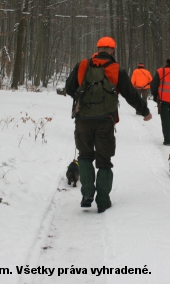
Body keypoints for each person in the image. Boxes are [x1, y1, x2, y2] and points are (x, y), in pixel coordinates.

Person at [65, 37, 152, 213]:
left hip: (83, 120)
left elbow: (68, 88)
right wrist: (145, 111)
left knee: (85, 156)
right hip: (106, 120)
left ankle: (87, 193)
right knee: (104, 161)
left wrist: (83, 100)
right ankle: (103, 201)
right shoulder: (116, 69)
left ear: (97, 49)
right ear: (112, 51)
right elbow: (131, 95)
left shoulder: (83, 64)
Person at [150, 58, 170, 146]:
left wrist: (155, 96)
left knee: (165, 120)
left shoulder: (160, 71)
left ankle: (167, 139)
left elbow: (154, 85)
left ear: (166, 63)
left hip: (163, 101)